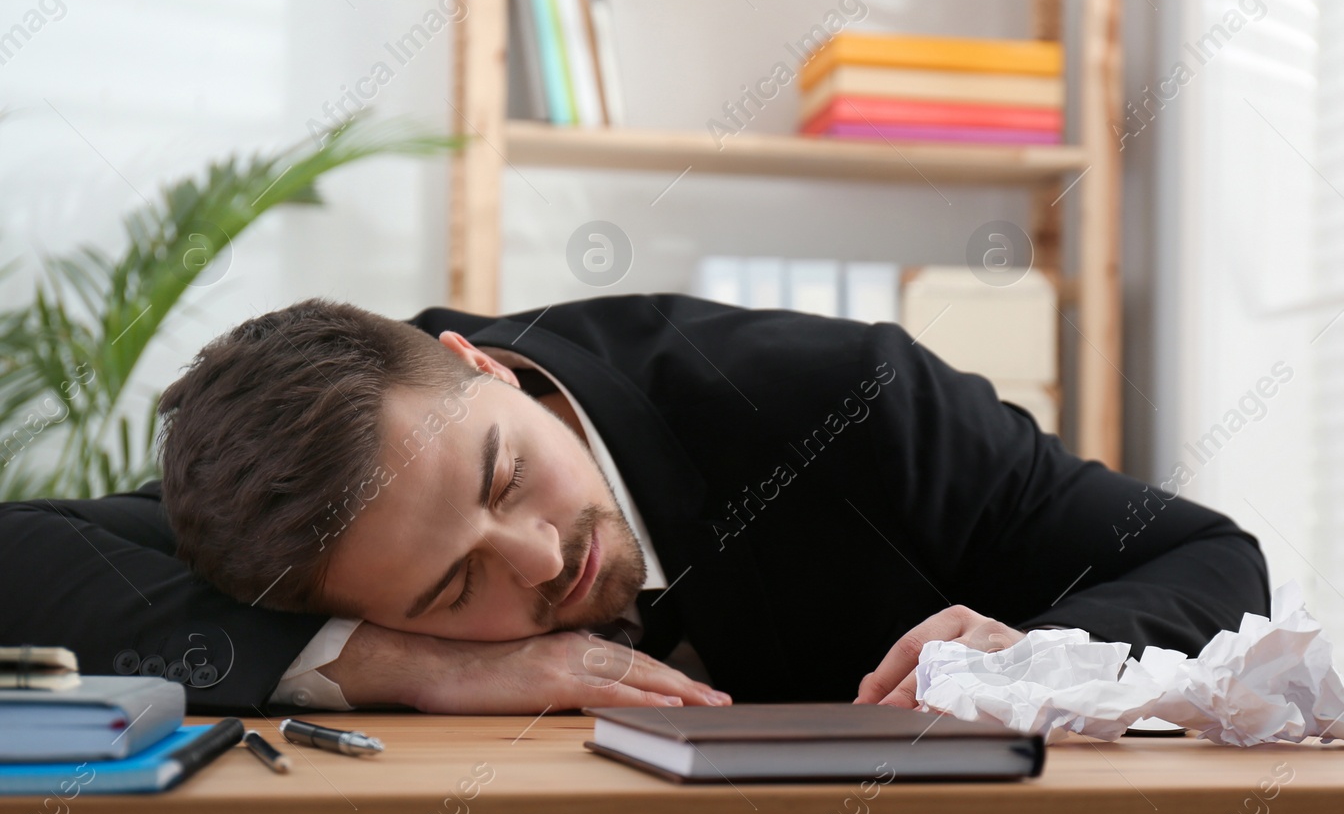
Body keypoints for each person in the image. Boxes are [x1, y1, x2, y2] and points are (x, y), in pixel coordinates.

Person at [0, 295, 1269, 715]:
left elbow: (1210, 557)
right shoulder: (304, 511)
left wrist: (1043, 647)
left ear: (478, 364)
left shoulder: (842, 397)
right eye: (454, 590)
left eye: (505, 476)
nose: (542, 557)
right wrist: (409, 667)